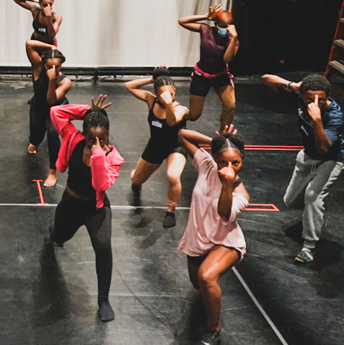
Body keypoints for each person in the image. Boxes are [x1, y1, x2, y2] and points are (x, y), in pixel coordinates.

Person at [48, 95, 124, 322]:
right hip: (70, 204)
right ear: (84, 135)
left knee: (103, 247)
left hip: (95, 209)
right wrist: (88, 111)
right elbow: (56, 112)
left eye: (101, 139)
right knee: (58, 236)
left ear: (107, 136)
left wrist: (98, 154)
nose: (95, 143)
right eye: (91, 139)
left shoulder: (113, 157)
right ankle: (54, 232)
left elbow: (100, 185)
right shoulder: (73, 137)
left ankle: (103, 300)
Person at [177, 125, 249, 345]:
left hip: (226, 241)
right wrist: (219, 140)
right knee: (198, 285)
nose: (229, 167)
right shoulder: (206, 165)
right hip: (198, 239)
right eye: (223, 162)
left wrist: (228, 183)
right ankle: (211, 285)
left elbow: (225, 215)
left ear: (242, 160)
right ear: (214, 158)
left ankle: (213, 329)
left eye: (235, 162)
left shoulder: (240, 193)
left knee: (207, 277)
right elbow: (182, 134)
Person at [261, 74, 343, 264]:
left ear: (328, 97)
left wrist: (317, 120)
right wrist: (292, 85)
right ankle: (311, 216)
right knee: (290, 202)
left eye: (321, 99)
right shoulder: (300, 96)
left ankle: (308, 247)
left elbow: (324, 148)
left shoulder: (335, 115)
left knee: (313, 197)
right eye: (309, 99)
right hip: (306, 156)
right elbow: (266, 79)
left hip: (331, 160)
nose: (315, 103)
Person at [124, 67, 189, 227]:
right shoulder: (150, 100)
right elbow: (129, 86)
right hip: (155, 146)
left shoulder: (180, 109)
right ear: (156, 93)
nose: (167, 97)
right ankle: (136, 178)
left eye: (171, 94)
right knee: (136, 180)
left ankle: (170, 210)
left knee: (173, 175)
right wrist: (152, 78)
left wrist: (168, 104)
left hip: (175, 146)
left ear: (174, 91)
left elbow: (172, 122)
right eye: (162, 94)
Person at [178, 4, 239, 127]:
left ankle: (224, 135)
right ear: (216, 24)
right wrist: (204, 16)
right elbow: (182, 21)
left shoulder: (233, 41)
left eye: (227, 26)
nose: (224, 29)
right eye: (222, 26)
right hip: (201, 76)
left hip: (220, 75)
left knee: (230, 105)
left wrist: (234, 37)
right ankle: (179, 115)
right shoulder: (206, 30)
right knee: (194, 115)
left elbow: (227, 58)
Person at [25, 40, 72, 186]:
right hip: (38, 105)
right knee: (36, 136)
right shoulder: (38, 68)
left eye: (57, 67)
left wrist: (52, 80)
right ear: (43, 64)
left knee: (52, 133)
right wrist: (51, 47)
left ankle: (52, 171)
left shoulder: (65, 81)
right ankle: (35, 142)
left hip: (56, 107)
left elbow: (52, 101)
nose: (53, 69)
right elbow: (29, 44)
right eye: (49, 66)